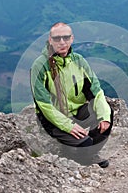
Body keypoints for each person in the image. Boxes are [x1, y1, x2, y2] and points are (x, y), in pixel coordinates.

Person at [30, 22, 113, 168]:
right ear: (50, 40)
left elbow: (96, 92)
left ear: (72, 39)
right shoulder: (40, 65)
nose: (62, 42)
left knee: (107, 114)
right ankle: (81, 157)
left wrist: (104, 116)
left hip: (77, 112)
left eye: (66, 37)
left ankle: (88, 153)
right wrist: (68, 126)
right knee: (85, 143)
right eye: (57, 38)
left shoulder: (79, 61)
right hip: (52, 120)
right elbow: (44, 105)